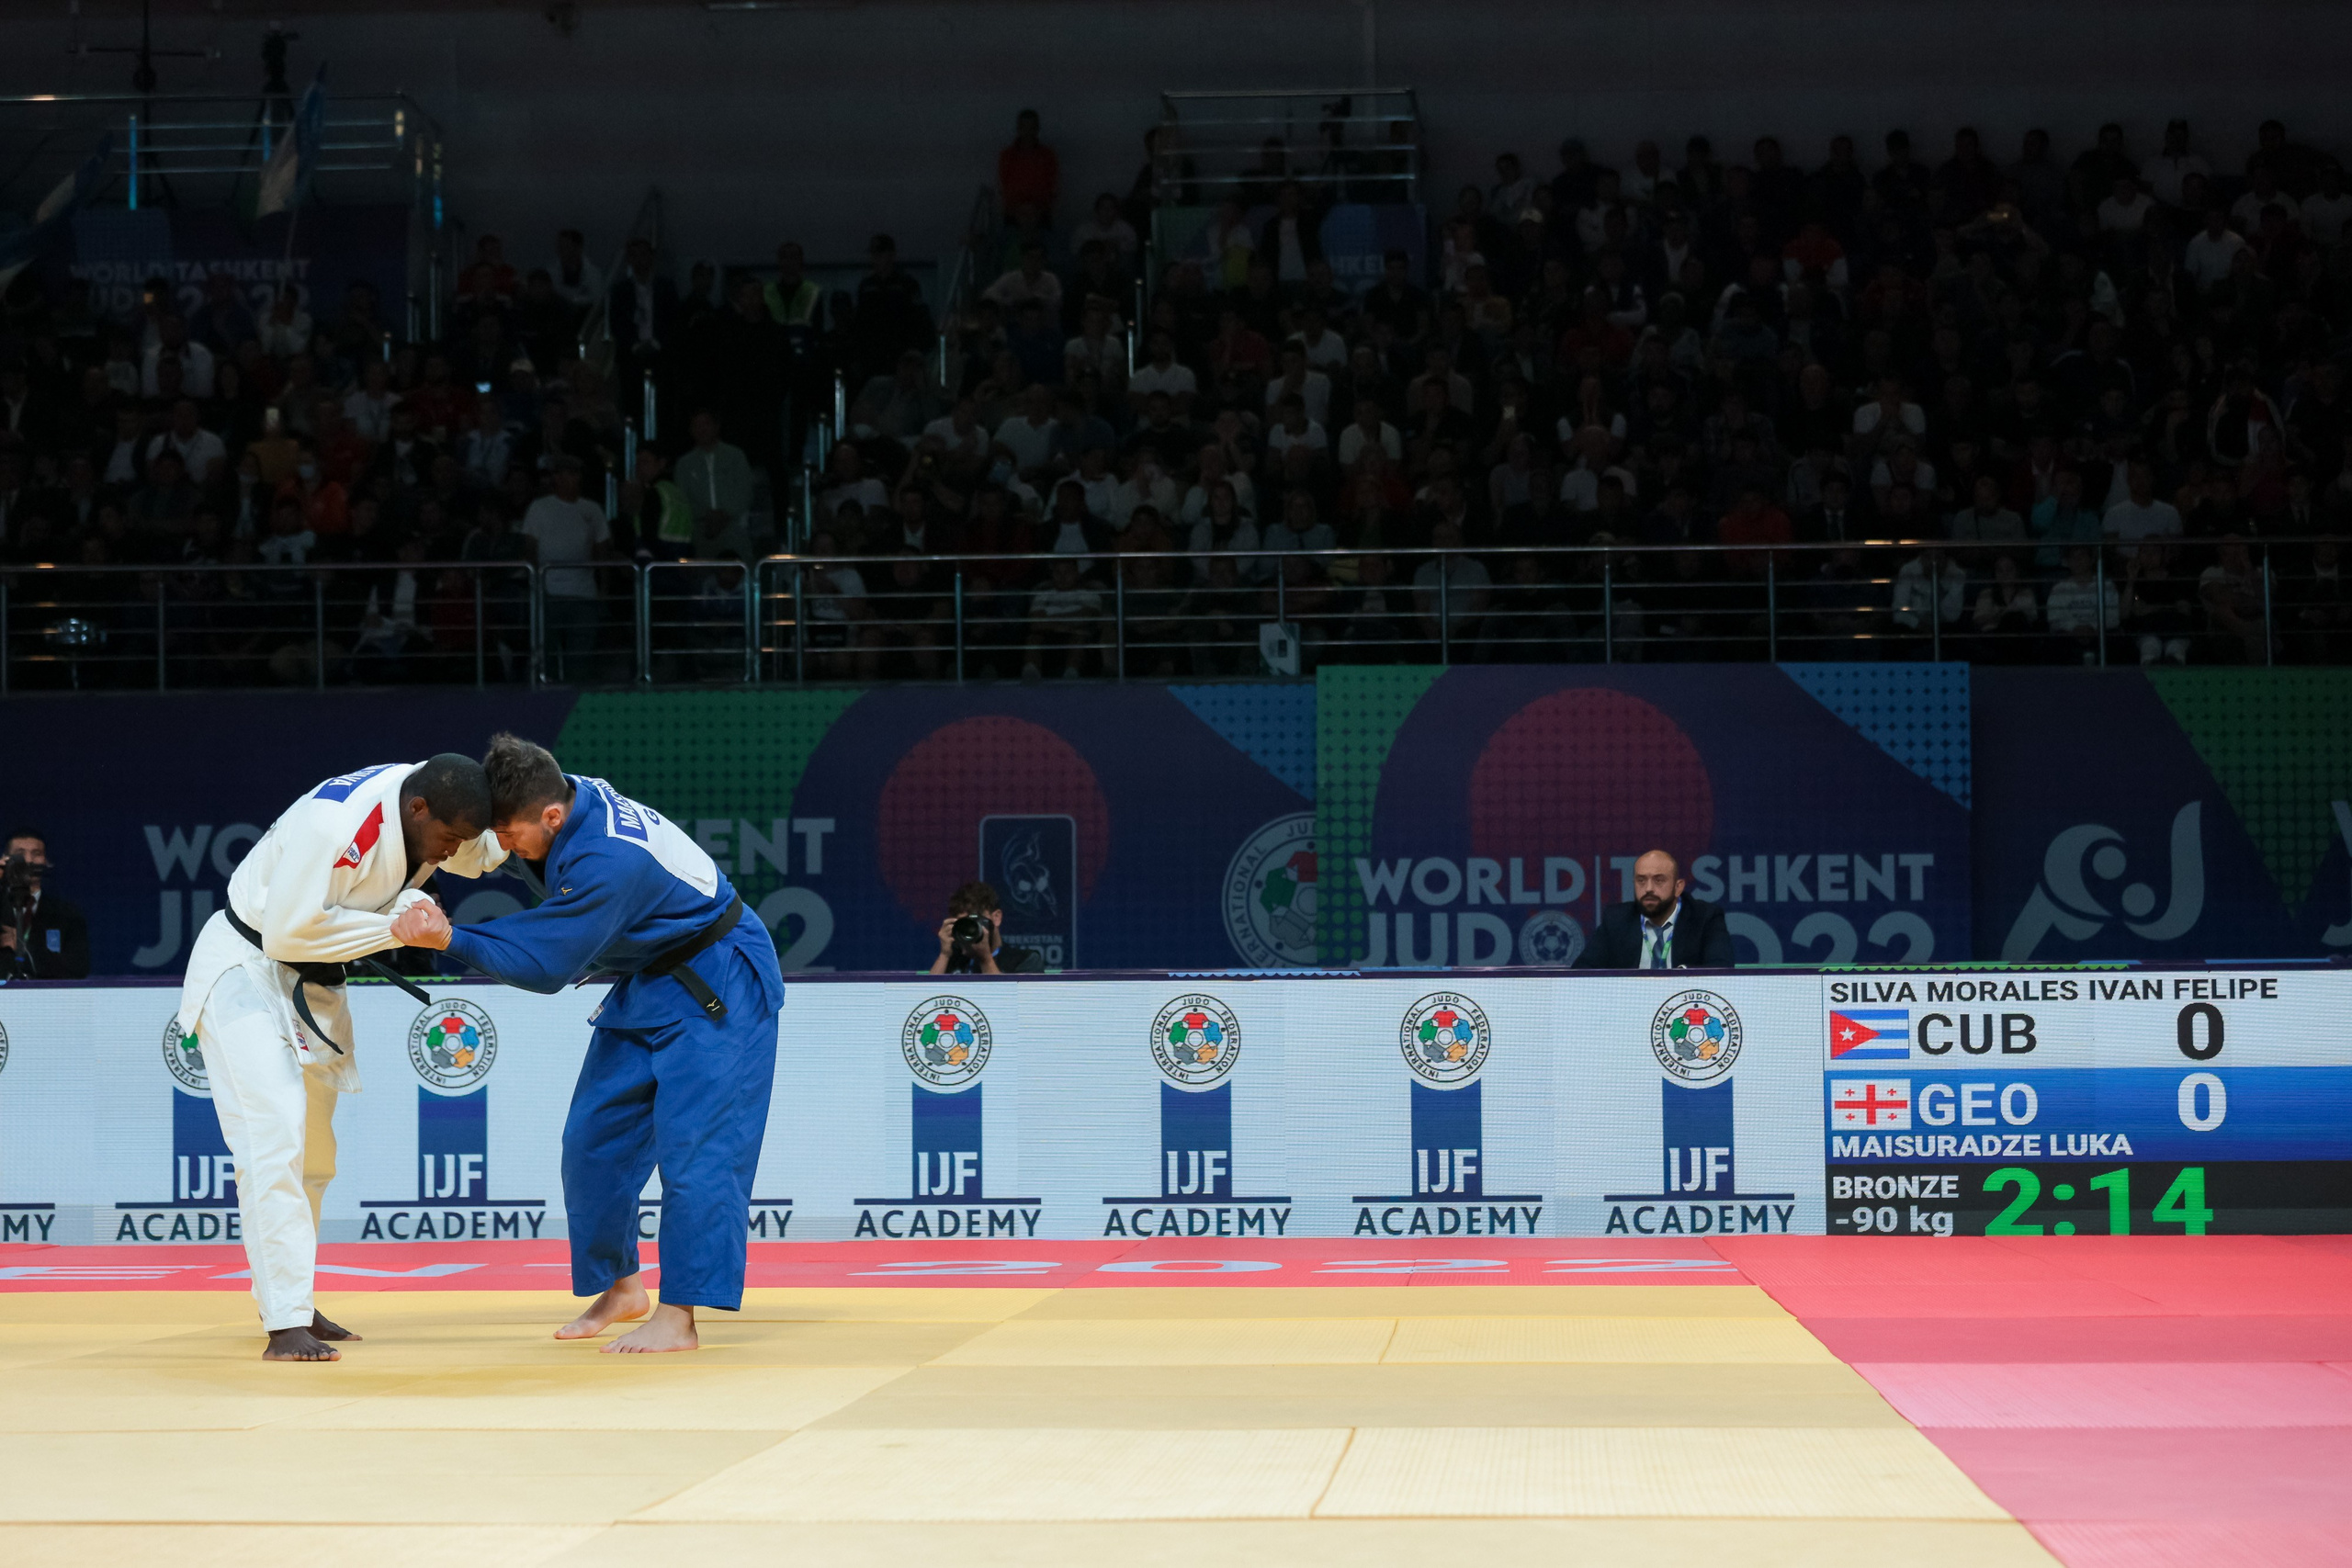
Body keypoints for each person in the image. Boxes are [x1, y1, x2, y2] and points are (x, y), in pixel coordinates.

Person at [390, 734, 785, 1354]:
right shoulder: (555, 796)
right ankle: (623, 1286)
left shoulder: (608, 859)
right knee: (592, 1140)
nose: (505, 846)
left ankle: (679, 1316)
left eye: (511, 833)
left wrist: (450, 939)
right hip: (653, 973)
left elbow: (547, 963)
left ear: (551, 816)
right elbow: (491, 845)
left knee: (699, 1155)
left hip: (722, 976)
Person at [176, 756, 506, 1361]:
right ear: (417, 809)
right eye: (447, 838)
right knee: (271, 1137)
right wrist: (395, 930)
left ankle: (293, 1297)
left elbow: (480, 849)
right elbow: (286, 934)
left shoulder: (434, 804)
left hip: (314, 981)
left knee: (315, 1155)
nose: (453, 850)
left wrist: (518, 819)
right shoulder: (337, 827)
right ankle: (285, 1322)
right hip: (247, 969)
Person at [1574, 849, 1735, 969]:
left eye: (1659, 880)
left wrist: (1681, 977)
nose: (1649, 888)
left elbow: (1721, 968)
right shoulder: (1617, 919)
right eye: (1641, 880)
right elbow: (1582, 971)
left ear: (1678, 887)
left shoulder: (1705, 917)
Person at [0, 828, 90, 978]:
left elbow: (79, 969)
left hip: (47, 999)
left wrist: (24, 947)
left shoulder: (67, 914)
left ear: (46, 861)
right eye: (20, 854)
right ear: (4, 860)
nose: (28, 860)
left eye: (37, 854)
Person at [929, 880, 1043, 976]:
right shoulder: (953, 961)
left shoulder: (1025, 960)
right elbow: (927, 998)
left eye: (972, 922)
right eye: (962, 924)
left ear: (996, 917)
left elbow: (1008, 1000)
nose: (968, 930)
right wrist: (944, 955)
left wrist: (986, 959)